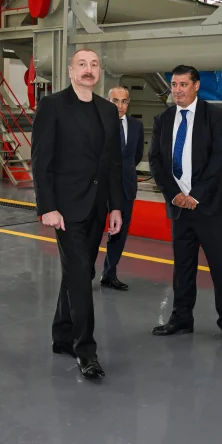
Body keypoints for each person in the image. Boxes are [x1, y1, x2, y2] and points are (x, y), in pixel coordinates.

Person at [31, 48, 123, 379]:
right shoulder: (53, 106)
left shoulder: (107, 110)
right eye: (82, 64)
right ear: (71, 71)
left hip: (97, 206)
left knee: (77, 273)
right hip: (66, 209)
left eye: (94, 64)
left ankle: (61, 335)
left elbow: (112, 163)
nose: (88, 69)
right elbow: (41, 160)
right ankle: (86, 351)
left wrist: (115, 206)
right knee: (82, 276)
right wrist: (47, 207)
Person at [148, 65, 222, 346]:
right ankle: (181, 318)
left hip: (210, 206)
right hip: (179, 207)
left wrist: (195, 195)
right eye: (174, 85)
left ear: (196, 85)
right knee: (183, 267)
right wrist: (174, 194)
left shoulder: (214, 116)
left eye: (183, 85)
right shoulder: (163, 119)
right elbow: (155, 161)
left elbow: (218, 159)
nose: (177, 90)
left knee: (221, 266)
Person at [101, 85, 144, 291]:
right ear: (107, 102)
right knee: (92, 232)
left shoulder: (136, 126)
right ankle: (83, 274)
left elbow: (136, 156)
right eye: (115, 101)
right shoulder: (98, 124)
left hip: (125, 186)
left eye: (124, 101)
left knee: (118, 234)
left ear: (129, 103)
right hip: (100, 186)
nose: (120, 105)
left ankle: (109, 274)